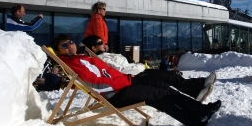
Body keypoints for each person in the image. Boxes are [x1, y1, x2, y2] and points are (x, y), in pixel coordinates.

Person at [52, 34, 221, 126]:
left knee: (163, 87)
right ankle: (195, 120)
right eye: (64, 45)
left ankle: (200, 110)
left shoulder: (80, 57)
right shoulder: (74, 63)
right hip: (116, 93)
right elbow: (96, 83)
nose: (70, 46)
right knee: (159, 95)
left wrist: (126, 79)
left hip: (124, 83)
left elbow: (108, 74)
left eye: (71, 42)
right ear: (59, 52)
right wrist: (124, 81)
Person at [82, 35, 216, 102]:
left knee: (170, 76)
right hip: (135, 77)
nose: (104, 44)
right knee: (169, 77)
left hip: (138, 72)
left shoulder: (106, 55)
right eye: (100, 43)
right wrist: (140, 66)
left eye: (103, 42)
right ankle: (199, 86)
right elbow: (121, 71)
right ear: (93, 48)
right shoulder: (102, 60)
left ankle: (197, 91)